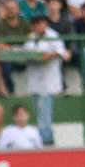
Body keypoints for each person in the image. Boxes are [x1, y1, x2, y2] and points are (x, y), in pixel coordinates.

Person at [22, 15, 69, 146]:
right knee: (38, 112)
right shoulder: (31, 37)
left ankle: (47, 141)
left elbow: (62, 53)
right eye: (36, 24)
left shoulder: (53, 35)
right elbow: (26, 51)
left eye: (41, 23)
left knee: (45, 112)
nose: (39, 26)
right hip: (34, 78)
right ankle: (44, 140)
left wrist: (49, 55)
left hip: (48, 80)